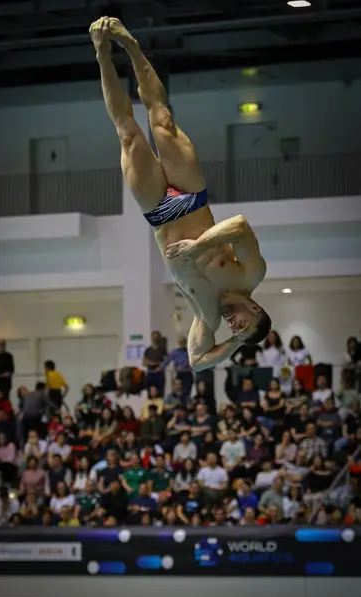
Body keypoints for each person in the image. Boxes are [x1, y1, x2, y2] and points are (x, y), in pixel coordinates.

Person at [89, 17, 270, 373]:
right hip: (191, 198)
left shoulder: (206, 316)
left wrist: (235, 341)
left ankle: (102, 54)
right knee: (162, 120)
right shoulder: (251, 275)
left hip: (158, 212)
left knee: (128, 134)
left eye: (235, 331)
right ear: (256, 309)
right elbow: (240, 226)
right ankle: (132, 46)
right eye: (242, 325)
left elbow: (198, 362)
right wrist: (200, 247)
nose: (233, 325)